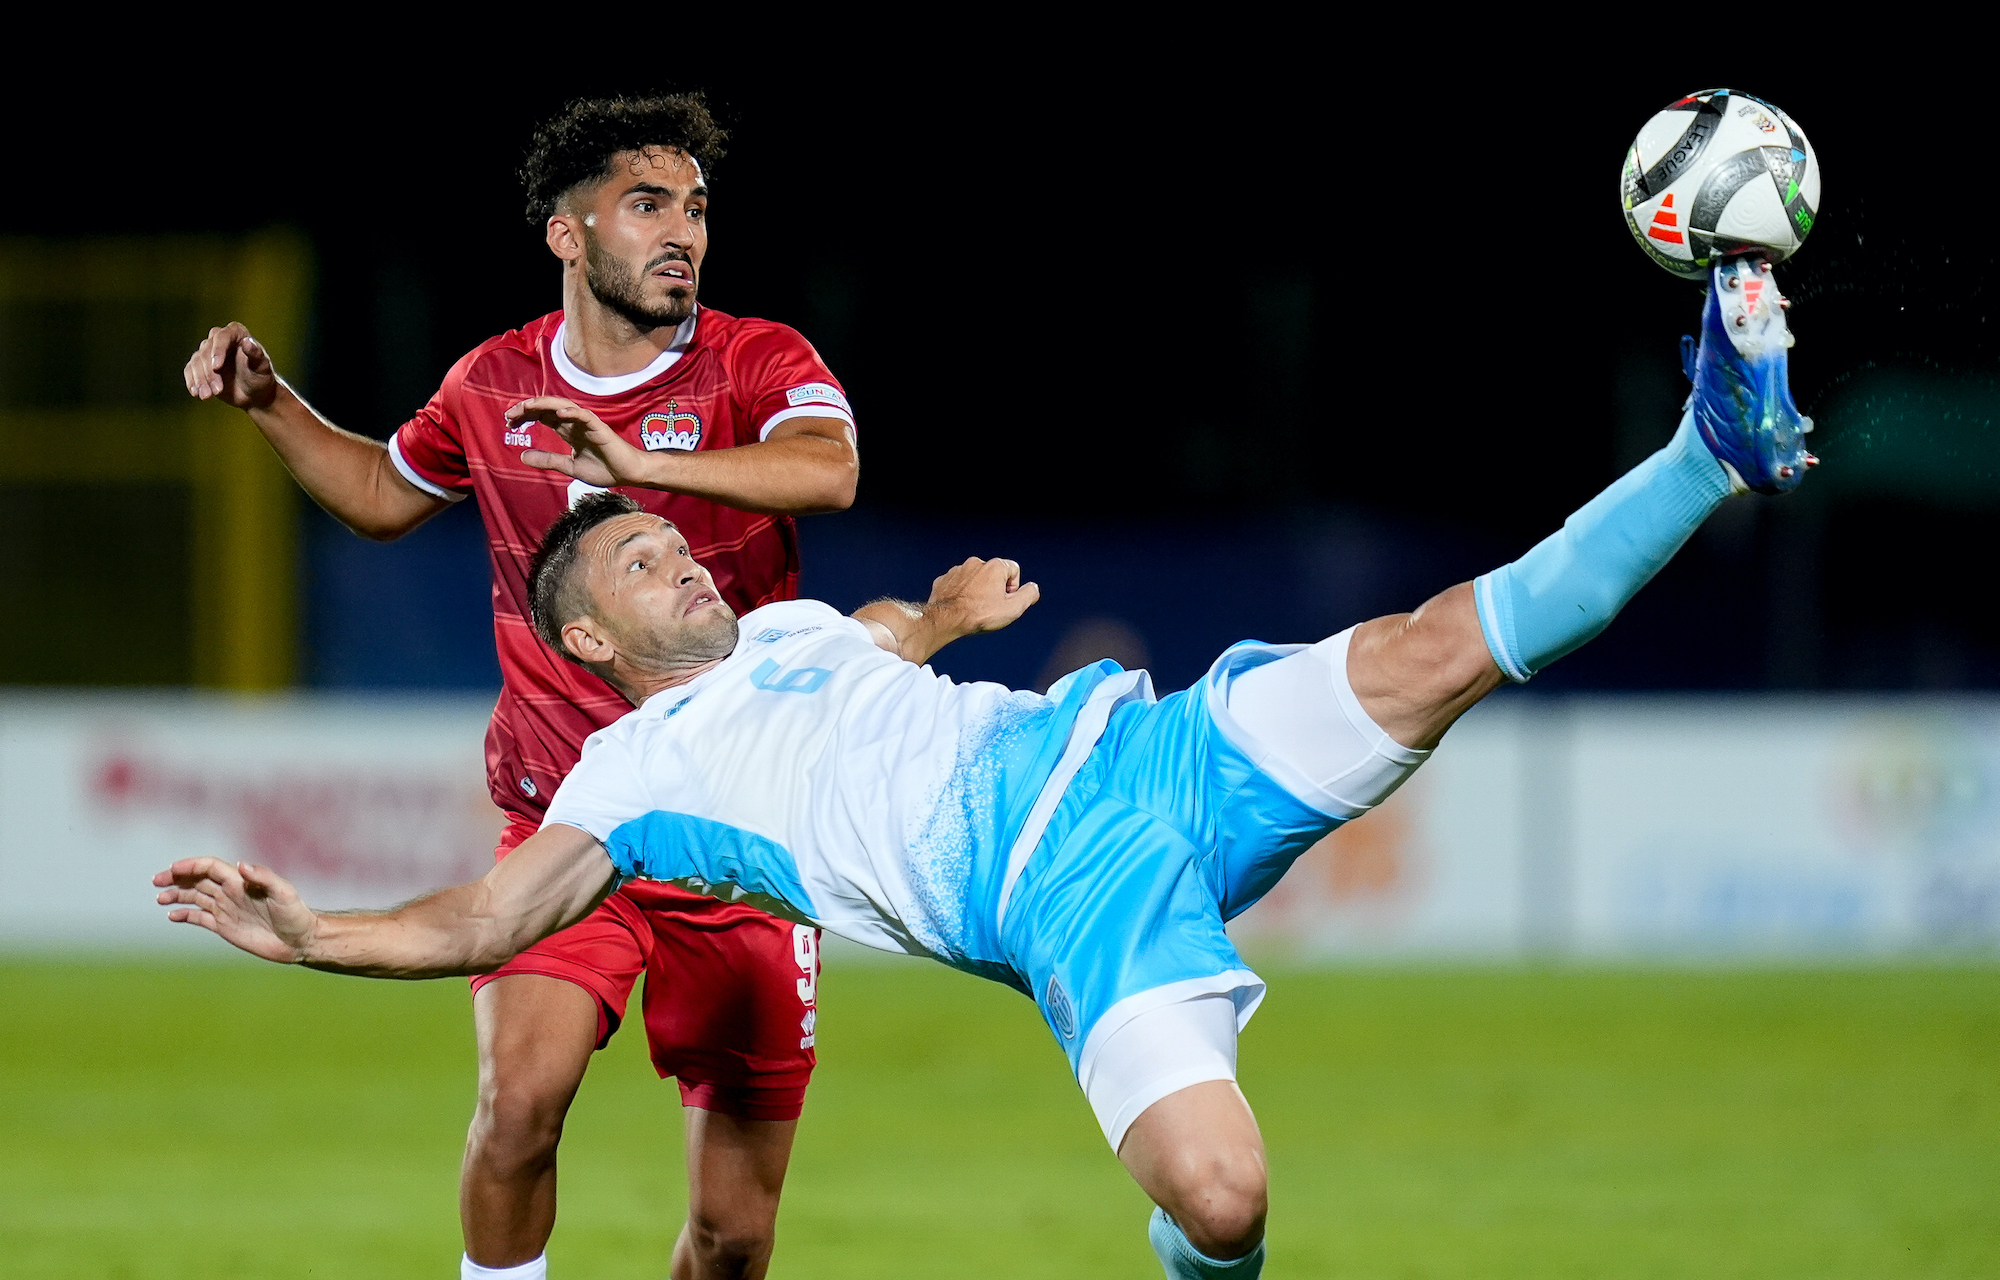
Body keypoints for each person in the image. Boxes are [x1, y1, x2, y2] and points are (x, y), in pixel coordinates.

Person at [159, 253, 1815, 1278]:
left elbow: (863, 636)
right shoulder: (633, 779)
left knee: (1441, 644)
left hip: (1154, 756)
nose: (677, 560)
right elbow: (479, 923)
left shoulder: (781, 634)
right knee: (1225, 1204)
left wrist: (935, 614)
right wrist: (302, 930)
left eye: (671, 541)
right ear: (588, 642)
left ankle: (1708, 440)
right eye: (641, 567)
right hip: (1068, 911)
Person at [179, 95, 859, 1280]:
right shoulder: (491, 383)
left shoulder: (757, 359)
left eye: (695, 209)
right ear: (567, 232)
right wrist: (272, 404)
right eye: (647, 204)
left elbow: (829, 469)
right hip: (567, 811)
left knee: (731, 1230)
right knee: (515, 1103)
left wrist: (637, 459)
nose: (682, 233)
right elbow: (388, 495)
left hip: (743, 828)